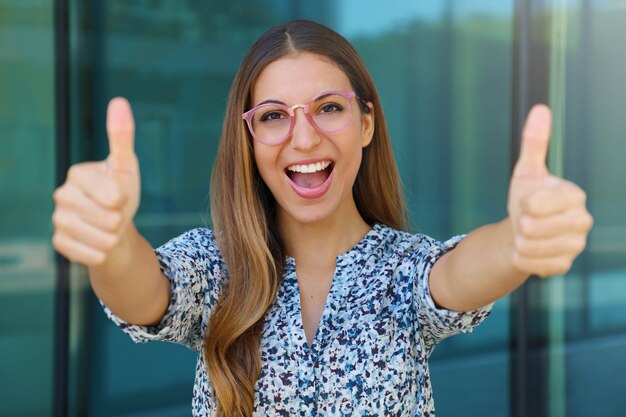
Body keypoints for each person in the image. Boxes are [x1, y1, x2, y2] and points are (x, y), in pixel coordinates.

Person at [51, 19, 593, 417]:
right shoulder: (217, 265)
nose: (304, 137)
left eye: (329, 107)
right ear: (250, 141)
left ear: (365, 124)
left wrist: (519, 239)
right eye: (272, 117)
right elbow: (144, 294)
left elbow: (464, 272)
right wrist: (113, 241)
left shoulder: (405, 270)